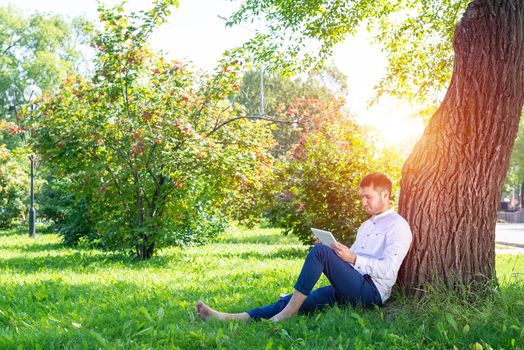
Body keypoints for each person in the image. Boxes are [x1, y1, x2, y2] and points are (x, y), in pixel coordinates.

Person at [196, 172, 412, 322]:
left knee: (319, 253)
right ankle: (231, 317)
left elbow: (389, 270)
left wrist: (352, 258)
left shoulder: (398, 226)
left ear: (385, 194)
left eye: (368, 197)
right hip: (348, 287)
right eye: (361, 197)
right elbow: (351, 262)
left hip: (370, 293)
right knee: (296, 300)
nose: (363, 203)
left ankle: (288, 312)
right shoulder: (366, 225)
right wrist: (336, 252)